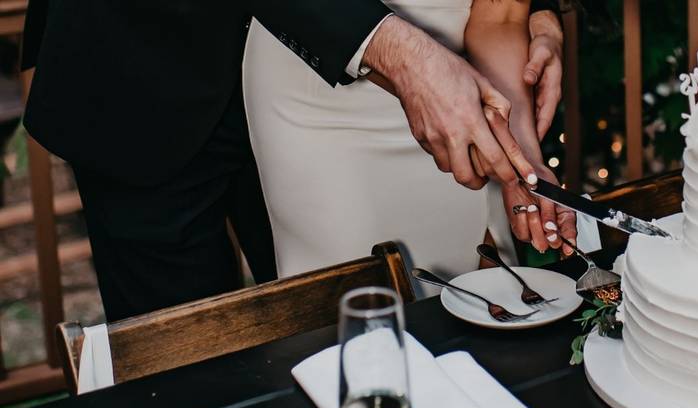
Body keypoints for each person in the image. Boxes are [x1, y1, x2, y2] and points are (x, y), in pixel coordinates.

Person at [20, 1, 543, 321]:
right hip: (145, 63)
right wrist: (398, 52)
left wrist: (539, 14)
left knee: (341, 331)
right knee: (180, 375)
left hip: (337, 89)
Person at [245, 1, 577, 284]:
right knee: (360, 322)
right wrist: (410, 62)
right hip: (329, 102)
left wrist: (520, 156)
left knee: (484, 307)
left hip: (469, 97)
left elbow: (500, 16)